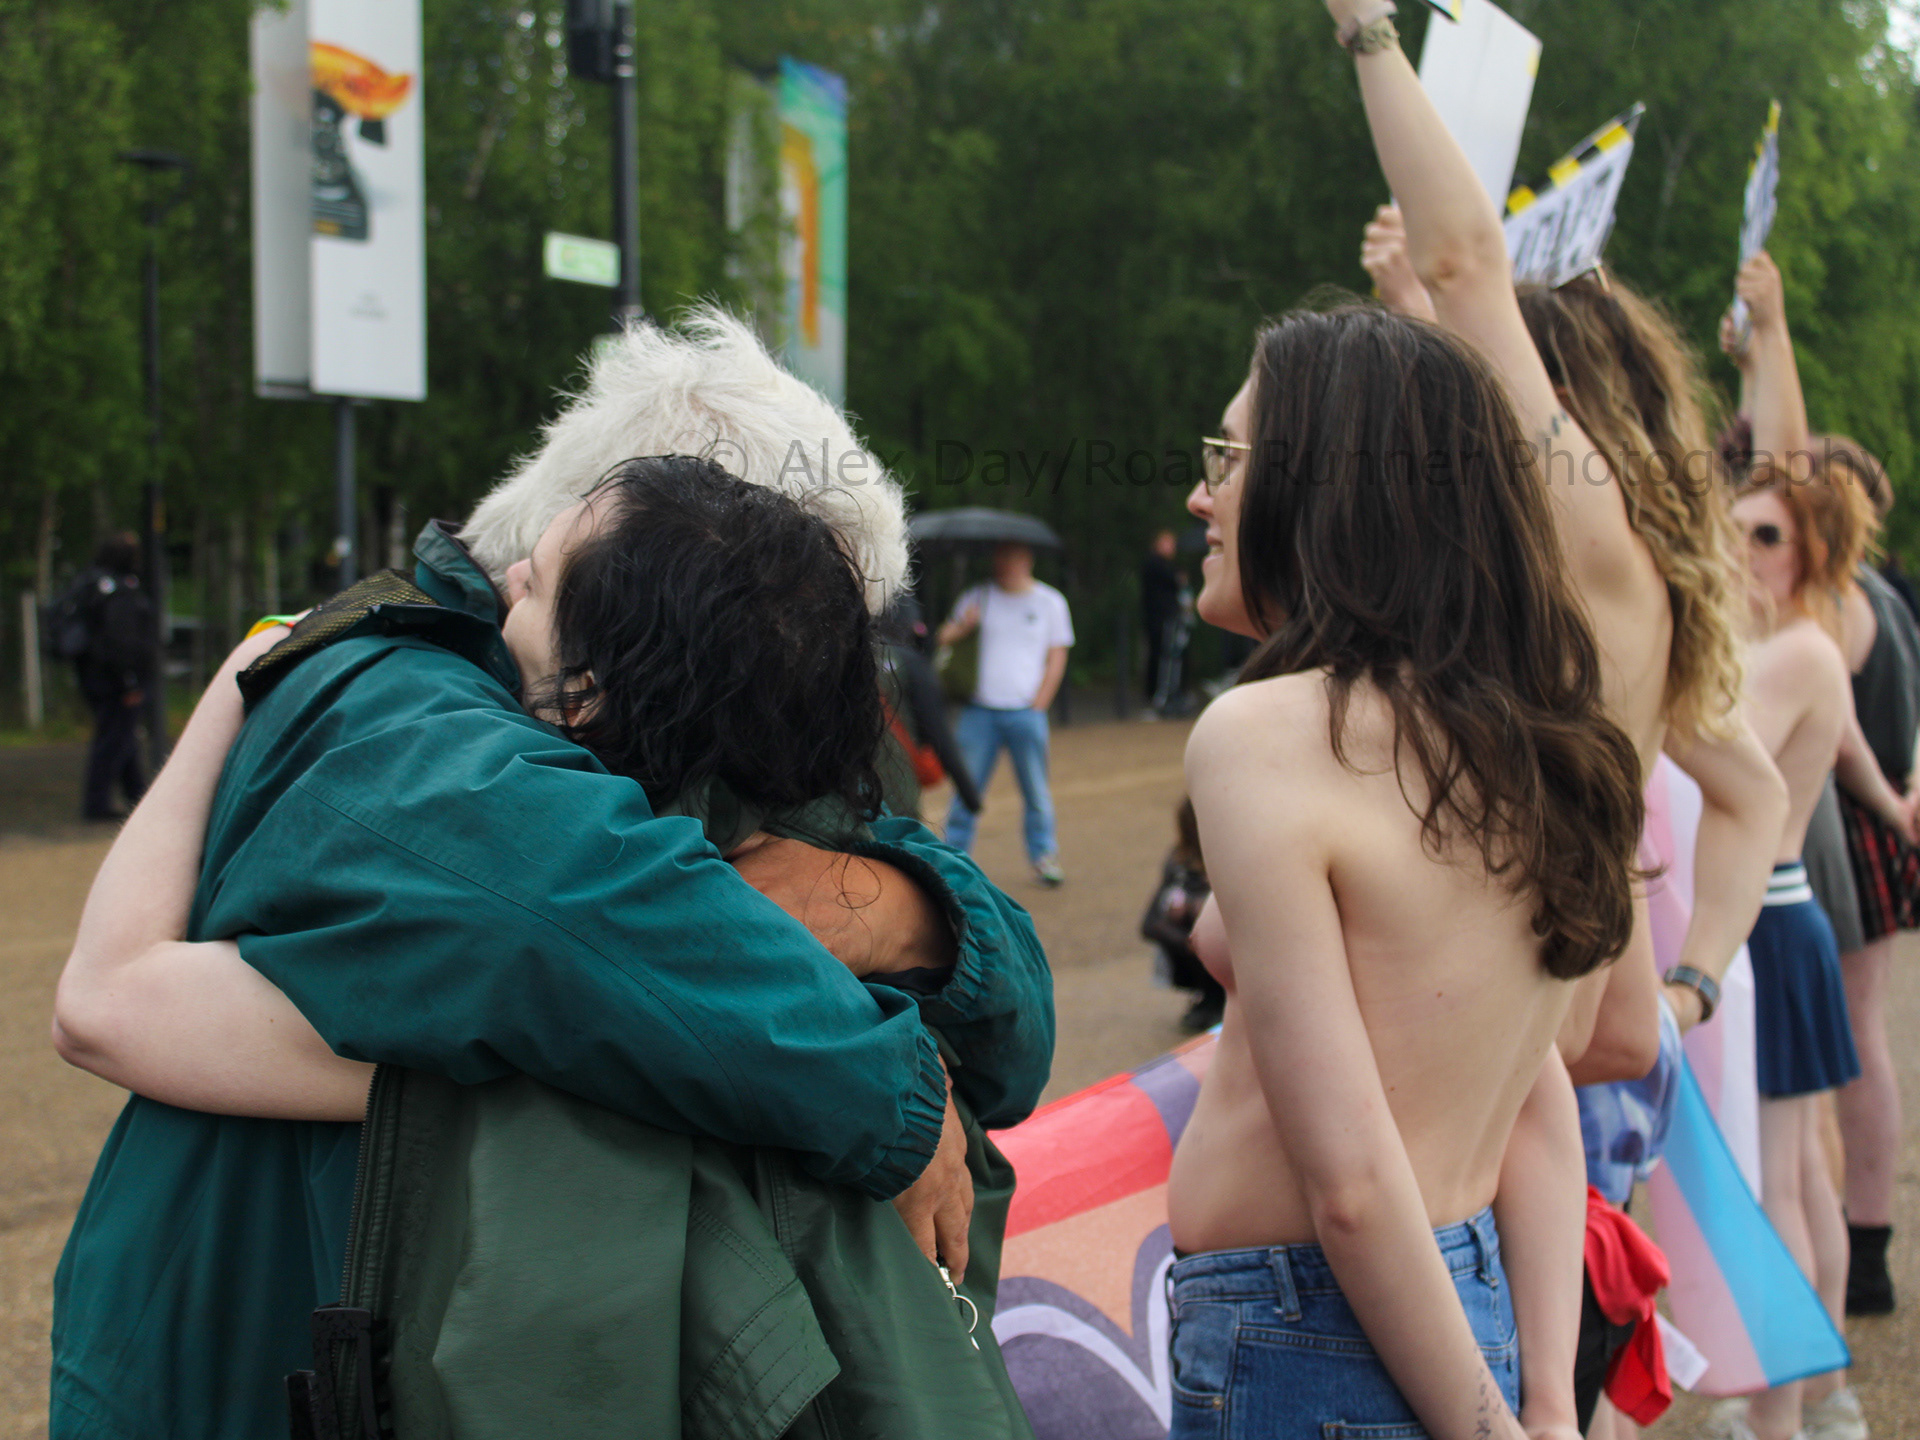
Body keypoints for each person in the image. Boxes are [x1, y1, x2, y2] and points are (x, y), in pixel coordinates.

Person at [49, 321, 1054, 1440]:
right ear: (672, 573)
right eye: (772, 586)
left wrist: (898, 914)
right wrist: (893, 1094)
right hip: (249, 1361)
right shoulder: (392, 703)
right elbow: (583, 911)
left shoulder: (707, 716)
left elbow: (1011, 1027)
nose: (803, 638)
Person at [1721, 456, 1890, 1440]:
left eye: (1767, 536)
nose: (1743, 551)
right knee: (1798, 1176)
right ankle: (1817, 1388)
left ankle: (1780, 1409)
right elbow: (1854, 755)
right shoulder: (1800, 644)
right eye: (1737, 529)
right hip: (1780, 922)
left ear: (1812, 550)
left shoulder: (1791, 652)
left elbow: (1711, 758)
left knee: (1777, 1179)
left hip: (1770, 925)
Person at [936, 541, 1074, 885]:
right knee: (966, 788)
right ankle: (953, 859)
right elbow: (942, 637)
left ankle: (1044, 857)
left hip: (1025, 713)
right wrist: (964, 626)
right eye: (1001, 555)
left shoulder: (1050, 602)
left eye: (1014, 556)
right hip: (979, 712)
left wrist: (1041, 701)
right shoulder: (977, 596)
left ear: (1028, 559)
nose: (1006, 562)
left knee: (1036, 791)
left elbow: (1058, 655)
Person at [60, 532, 157, 821]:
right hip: (116, 680)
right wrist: (130, 680)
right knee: (113, 739)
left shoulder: (91, 583)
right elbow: (121, 640)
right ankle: (96, 804)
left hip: (94, 676)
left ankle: (137, 796)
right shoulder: (120, 590)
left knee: (121, 736)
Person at [1140, 796, 1223, 1033]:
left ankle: (1220, 998)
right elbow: (1149, 924)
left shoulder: (1233, 858)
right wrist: (1190, 942)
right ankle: (1209, 997)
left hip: (1231, 951)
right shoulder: (1180, 863)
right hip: (1194, 951)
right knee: (1180, 922)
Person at [1140, 528, 1187, 715]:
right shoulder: (1154, 564)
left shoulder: (1167, 565)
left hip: (1168, 619)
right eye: (1166, 543)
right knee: (1161, 657)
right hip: (1159, 620)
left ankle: (1168, 693)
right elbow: (1176, 581)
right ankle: (1159, 696)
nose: (1171, 547)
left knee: (1169, 657)